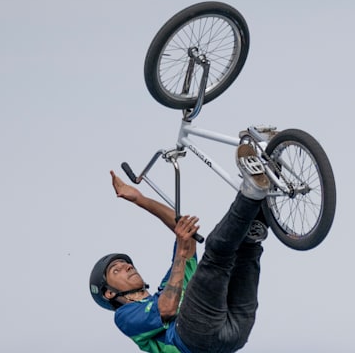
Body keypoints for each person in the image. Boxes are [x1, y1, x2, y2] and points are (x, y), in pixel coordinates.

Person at [90, 143, 271, 353]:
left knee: (247, 243)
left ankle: (272, 177)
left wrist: (140, 199)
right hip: (193, 339)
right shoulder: (125, 316)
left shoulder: (169, 285)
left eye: (126, 264)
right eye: (117, 270)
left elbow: (183, 231)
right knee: (216, 252)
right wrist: (181, 255)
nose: (128, 267)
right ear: (109, 294)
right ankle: (250, 194)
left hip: (234, 335)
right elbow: (167, 308)